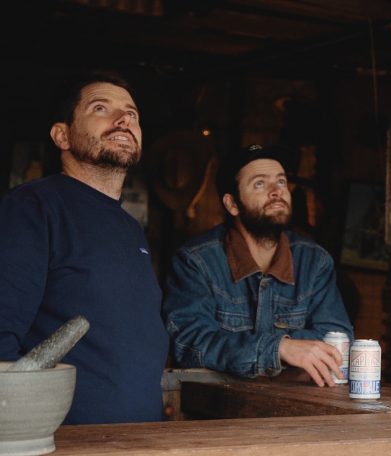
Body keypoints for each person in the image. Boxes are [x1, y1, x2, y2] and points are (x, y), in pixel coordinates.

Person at [0, 70, 168, 424]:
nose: (123, 119)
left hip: (142, 441)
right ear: (62, 135)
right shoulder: (34, 207)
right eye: (101, 108)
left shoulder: (129, 228)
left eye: (132, 114)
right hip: (66, 442)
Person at [162, 144, 354, 386]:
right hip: (216, 414)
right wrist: (279, 349)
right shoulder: (196, 261)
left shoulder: (314, 261)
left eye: (282, 182)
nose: (276, 191)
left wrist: (261, 349)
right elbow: (190, 343)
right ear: (232, 204)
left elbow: (337, 340)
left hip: (296, 411)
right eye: (260, 184)